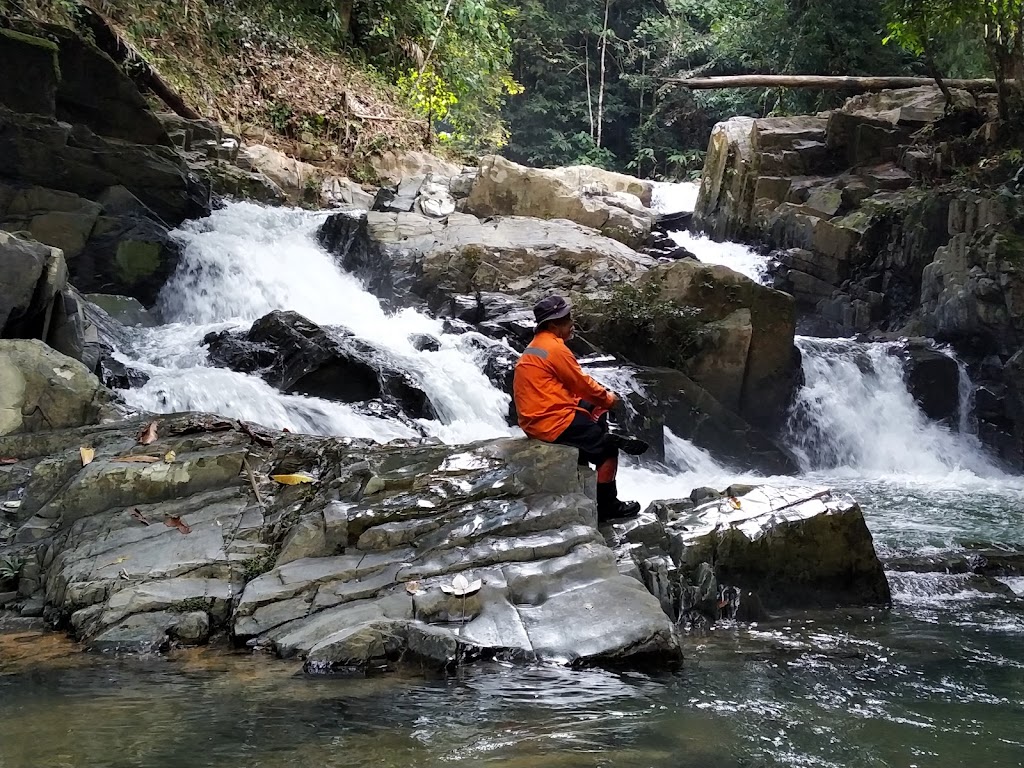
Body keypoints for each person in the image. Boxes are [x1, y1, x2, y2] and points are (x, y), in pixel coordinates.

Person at [512, 294, 648, 523]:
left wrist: (597, 402)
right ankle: (607, 507)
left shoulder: (535, 347)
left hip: (536, 418)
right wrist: (610, 400)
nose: (571, 322)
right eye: (567, 318)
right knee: (608, 452)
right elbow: (582, 384)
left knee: (593, 409)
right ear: (554, 324)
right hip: (552, 422)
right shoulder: (555, 349)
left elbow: (565, 387)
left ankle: (596, 437)